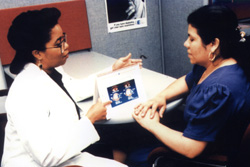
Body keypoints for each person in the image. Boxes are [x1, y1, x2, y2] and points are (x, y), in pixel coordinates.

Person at [1, 7, 142, 167]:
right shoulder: (25, 93)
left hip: (66, 148)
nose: (67, 46)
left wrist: (113, 70)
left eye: (64, 38)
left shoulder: (48, 70)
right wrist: (90, 119)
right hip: (42, 162)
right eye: (59, 43)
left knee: (121, 147)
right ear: (38, 53)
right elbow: (47, 157)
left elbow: (75, 89)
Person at [133, 4, 250, 166]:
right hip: (198, 134)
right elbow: (188, 80)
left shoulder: (220, 88)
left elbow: (192, 149)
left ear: (214, 44)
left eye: (192, 38)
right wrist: (161, 97)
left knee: (130, 149)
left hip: (206, 156)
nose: (185, 44)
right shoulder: (218, 63)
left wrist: (152, 125)